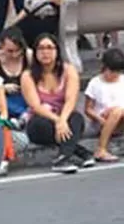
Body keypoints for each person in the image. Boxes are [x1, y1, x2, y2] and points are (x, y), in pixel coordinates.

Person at [19, 34, 91, 173]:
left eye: (50, 48)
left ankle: (63, 159)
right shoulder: (27, 75)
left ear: (57, 51)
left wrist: (63, 119)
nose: (45, 52)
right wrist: (58, 121)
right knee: (41, 124)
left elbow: (71, 99)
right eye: (41, 48)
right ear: (35, 52)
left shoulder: (69, 70)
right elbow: (36, 106)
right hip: (40, 122)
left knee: (76, 119)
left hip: (65, 117)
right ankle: (80, 153)